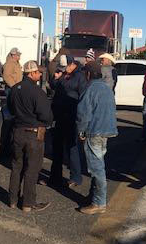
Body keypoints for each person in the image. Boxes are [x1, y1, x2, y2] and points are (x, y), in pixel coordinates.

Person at [7, 60, 53, 212]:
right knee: (32, 169)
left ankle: (12, 200)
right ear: (31, 73)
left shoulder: (14, 89)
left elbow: (10, 109)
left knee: (16, 166)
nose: (40, 74)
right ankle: (28, 203)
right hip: (33, 134)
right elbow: (46, 116)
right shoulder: (37, 92)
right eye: (38, 72)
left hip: (17, 132)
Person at [76, 61, 118, 215]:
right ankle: (95, 196)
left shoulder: (90, 89)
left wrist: (81, 131)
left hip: (94, 131)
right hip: (106, 131)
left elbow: (83, 114)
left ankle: (99, 202)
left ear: (88, 74)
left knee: (96, 168)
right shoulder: (107, 88)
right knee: (98, 164)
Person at [48, 59, 87, 187]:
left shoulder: (80, 77)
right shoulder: (63, 75)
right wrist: (55, 78)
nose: (66, 68)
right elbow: (54, 86)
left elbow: (82, 95)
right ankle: (55, 177)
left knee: (72, 147)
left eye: (68, 65)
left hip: (71, 116)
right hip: (59, 115)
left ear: (74, 65)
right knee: (57, 147)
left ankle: (75, 177)